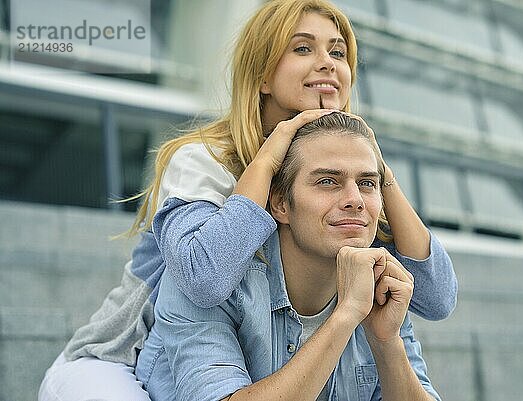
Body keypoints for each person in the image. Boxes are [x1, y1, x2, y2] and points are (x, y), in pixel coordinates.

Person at [39, 1, 457, 400]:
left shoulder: (340, 187)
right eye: (303, 48)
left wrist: (377, 168)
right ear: (262, 75)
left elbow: (436, 299)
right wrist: (273, 152)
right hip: (129, 358)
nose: (328, 62)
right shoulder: (204, 160)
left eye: (338, 51)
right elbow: (205, 279)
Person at [136, 112, 441, 401]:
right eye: (327, 181)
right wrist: (345, 317)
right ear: (280, 203)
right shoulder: (209, 282)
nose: (355, 200)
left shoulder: (379, 285)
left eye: (367, 183)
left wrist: (387, 343)